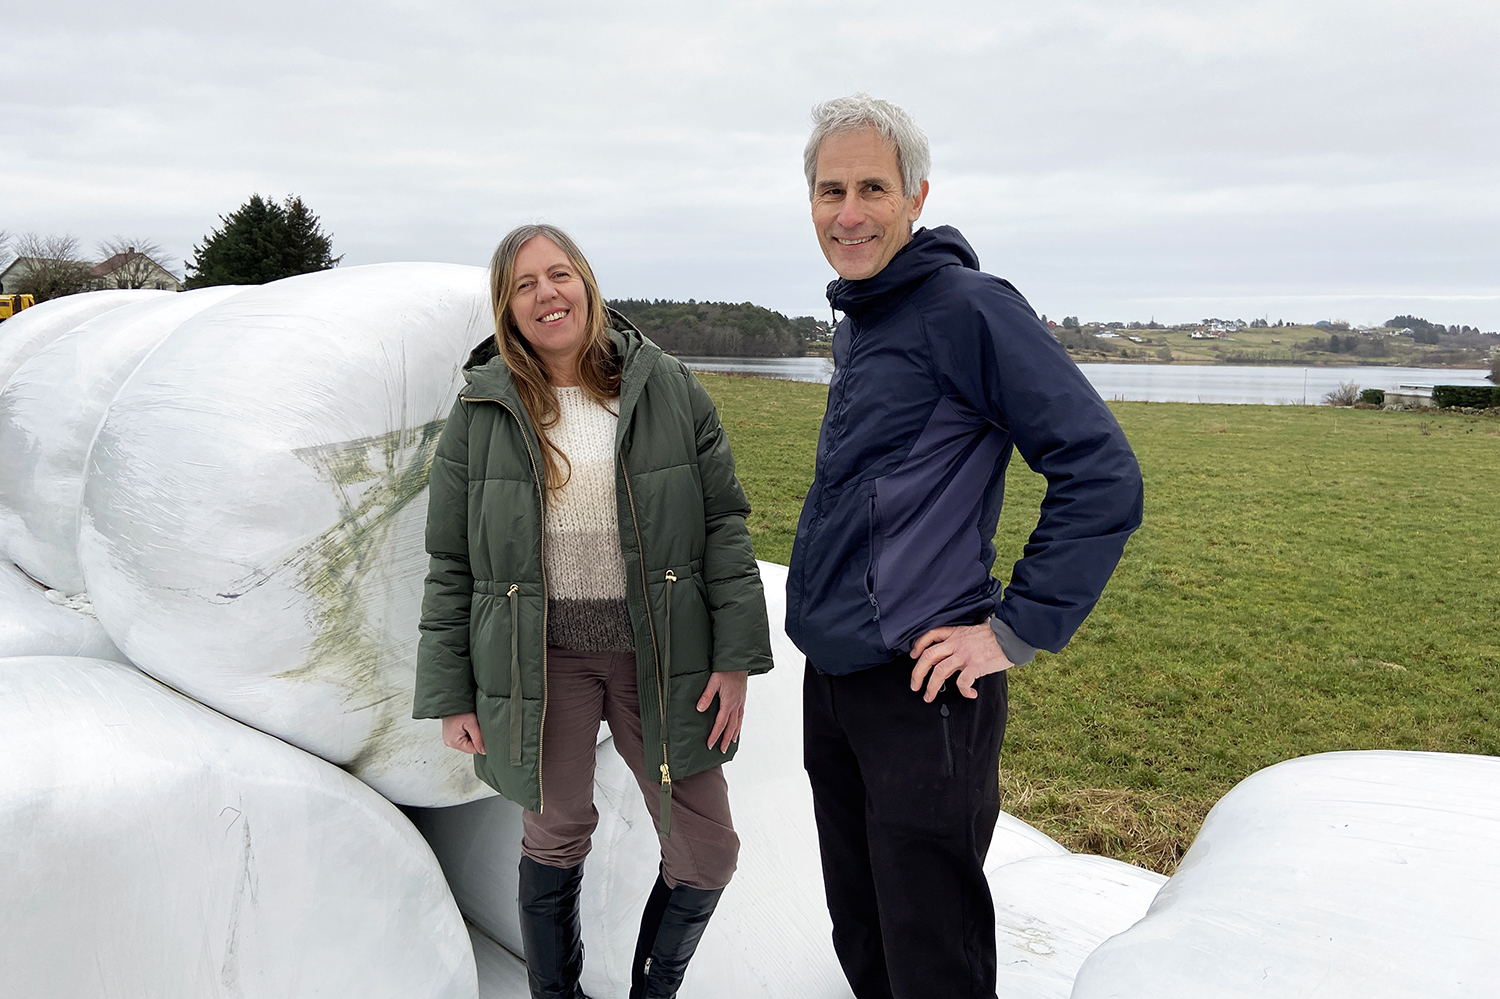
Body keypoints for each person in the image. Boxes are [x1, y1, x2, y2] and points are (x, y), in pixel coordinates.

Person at [787, 95, 1144, 999]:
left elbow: (1100, 471)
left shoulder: (967, 308)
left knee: (930, 950)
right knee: (862, 926)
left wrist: (1012, 630)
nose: (850, 212)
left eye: (873, 187)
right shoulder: (865, 317)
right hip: (837, 678)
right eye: (832, 190)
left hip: (925, 682)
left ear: (917, 195)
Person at [414, 224, 773, 999]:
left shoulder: (670, 387)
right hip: (543, 662)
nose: (547, 293)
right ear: (507, 310)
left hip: (662, 654)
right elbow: (452, 562)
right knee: (555, 831)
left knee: (707, 849)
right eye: (524, 284)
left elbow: (724, 526)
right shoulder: (482, 411)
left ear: (587, 283)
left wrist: (736, 656)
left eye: (560, 274)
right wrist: (449, 694)